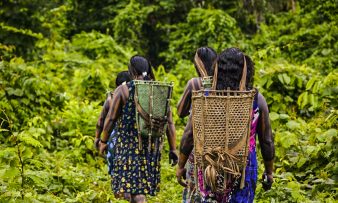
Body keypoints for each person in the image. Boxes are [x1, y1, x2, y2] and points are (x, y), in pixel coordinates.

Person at [176, 48, 274, 202]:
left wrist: (181, 165)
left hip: (210, 168)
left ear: (217, 70)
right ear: (245, 70)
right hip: (243, 170)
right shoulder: (256, 100)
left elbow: (189, 135)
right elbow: (267, 141)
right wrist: (269, 172)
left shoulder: (205, 97)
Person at [99, 55, 178, 203]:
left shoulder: (124, 90)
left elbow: (110, 119)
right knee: (139, 188)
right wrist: (173, 149)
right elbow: (170, 123)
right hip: (151, 147)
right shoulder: (158, 90)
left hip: (128, 146)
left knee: (133, 191)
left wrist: (103, 141)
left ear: (131, 70)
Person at [176, 47, 217, 202]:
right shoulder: (226, 83)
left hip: (199, 150)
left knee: (196, 192)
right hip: (224, 151)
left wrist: (180, 165)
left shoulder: (195, 83)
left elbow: (180, 111)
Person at [94, 71, 132, 149]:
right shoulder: (135, 99)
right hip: (133, 139)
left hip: (114, 139)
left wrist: (97, 138)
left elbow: (101, 120)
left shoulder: (111, 99)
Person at [177, 47, 217, 118]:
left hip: (196, 128)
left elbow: (180, 112)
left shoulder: (194, 83)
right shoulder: (221, 82)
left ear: (198, 65)